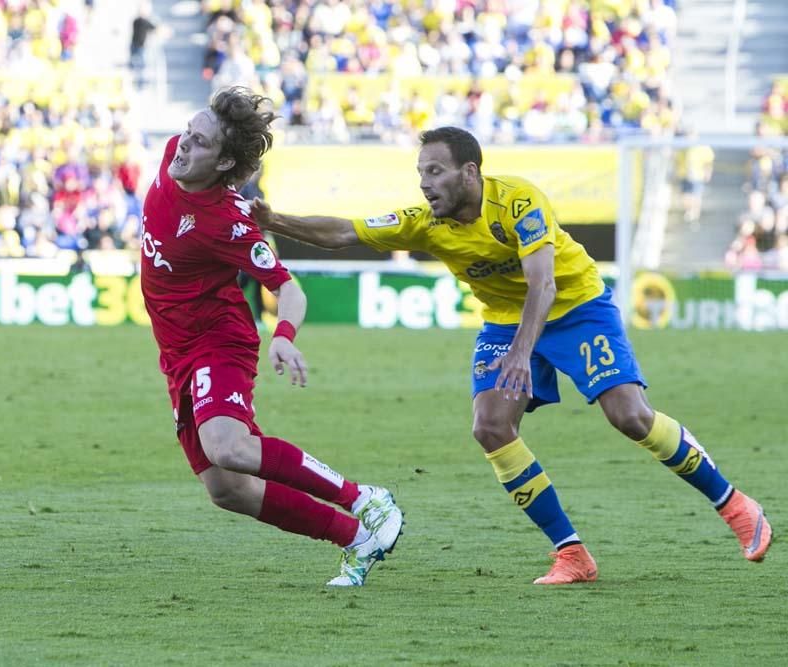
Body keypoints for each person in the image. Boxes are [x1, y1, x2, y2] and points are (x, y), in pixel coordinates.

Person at [252, 126, 773, 584]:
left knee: (630, 417)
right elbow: (345, 232)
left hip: (575, 307)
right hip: (506, 321)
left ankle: (737, 507)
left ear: (469, 172)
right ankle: (571, 554)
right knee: (491, 426)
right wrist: (274, 219)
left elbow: (542, 285)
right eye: (420, 173)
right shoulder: (424, 222)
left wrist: (522, 355)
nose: (424, 183)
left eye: (435, 171)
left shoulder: (519, 201)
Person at [140, 87, 403, 587]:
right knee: (227, 490)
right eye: (188, 133)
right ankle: (355, 537)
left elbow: (289, 290)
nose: (183, 146)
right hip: (175, 351)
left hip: (218, 341)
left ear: (222, 165)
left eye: (199, 143)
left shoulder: (229, 221)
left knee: (229, 447)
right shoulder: (172, 154)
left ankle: (363, 498)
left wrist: (283, 335)